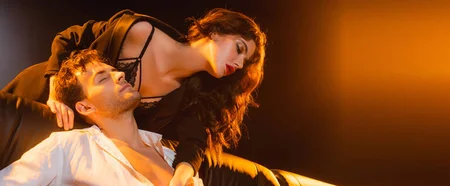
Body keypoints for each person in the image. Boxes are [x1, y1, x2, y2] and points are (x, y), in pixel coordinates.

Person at [2, 8, 267, 184]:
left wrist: (183, 175)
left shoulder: (194, 94)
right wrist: (54, 90)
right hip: (41, 96)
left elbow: (193, 143)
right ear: (216, 32)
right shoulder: (139, 31)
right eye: (239, 48)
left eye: (245, 60)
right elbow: (69, 38)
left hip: (83, 128)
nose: (240, 63)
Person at [0, 50, 204, 185]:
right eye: (103, 78)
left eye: (115, 71)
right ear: (85, 107)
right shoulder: (70, 147)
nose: (120, 75)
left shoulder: (172, 156)